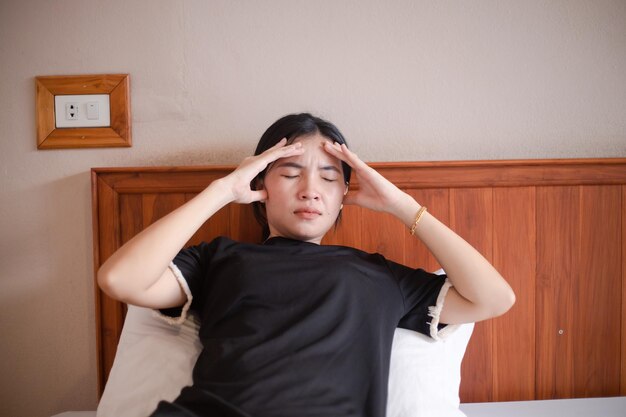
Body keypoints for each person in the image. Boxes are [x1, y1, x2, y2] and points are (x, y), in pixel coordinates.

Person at [98, 113, 515, 417]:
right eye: (290, 172)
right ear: (259, 182)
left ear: (344, 194)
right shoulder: (220, 258)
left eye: (330, 178)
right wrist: (222, 190)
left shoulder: (380, 275)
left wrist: (401, 205)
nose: (311, 190)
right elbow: (120, 279)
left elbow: (493, 299)